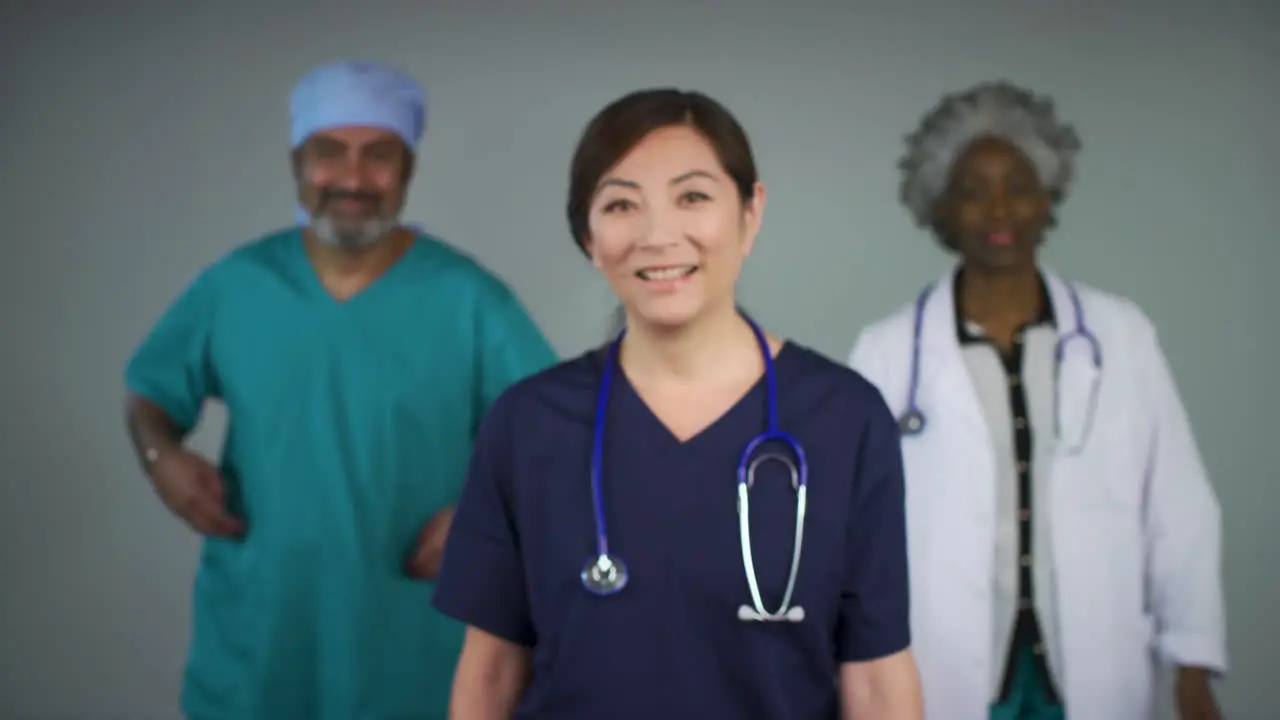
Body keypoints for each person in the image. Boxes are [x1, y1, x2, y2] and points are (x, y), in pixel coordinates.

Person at [431, 88, 925, 719]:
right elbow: (491, 673)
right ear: (589, 235)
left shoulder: (844, 418)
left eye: (693, 197)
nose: (658, 236)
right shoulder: (528, 426)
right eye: (620, 205)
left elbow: (878, 676)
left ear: (751, 212)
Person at [122, 60, 558, 719]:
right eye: (330, 153)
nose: (353, 179)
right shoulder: (237, 286)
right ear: (298, 160)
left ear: (408, 168)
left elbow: (552, 428)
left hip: (415, 643)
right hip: (262, 635)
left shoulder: (469, 301)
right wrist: (161, 458)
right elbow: (151, 394)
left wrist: (485, 515)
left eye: (378, 155)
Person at [847, 81, 1227, 719]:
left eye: (1018, 186)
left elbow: (1177, 507)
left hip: (1093, 663)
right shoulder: (886, 354)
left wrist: (1192, 665)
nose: (999, 210)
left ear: (1048, 197)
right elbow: (853, 541)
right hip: (940, 671)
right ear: (939, 209)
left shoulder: (1120, 337)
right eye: (972, 191)